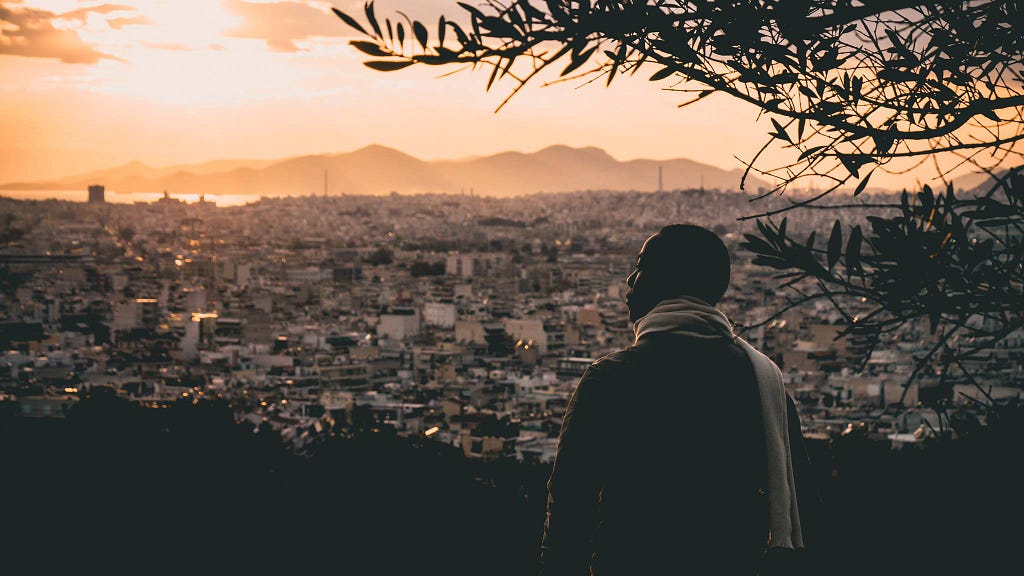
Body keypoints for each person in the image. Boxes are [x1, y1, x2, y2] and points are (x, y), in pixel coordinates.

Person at [539, 224, 813, 575]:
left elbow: (569, 509)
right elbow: (803, 500)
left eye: (640, 267)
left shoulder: (613, 378)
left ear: (666, 281)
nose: (629, 280)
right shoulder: (764, 382)